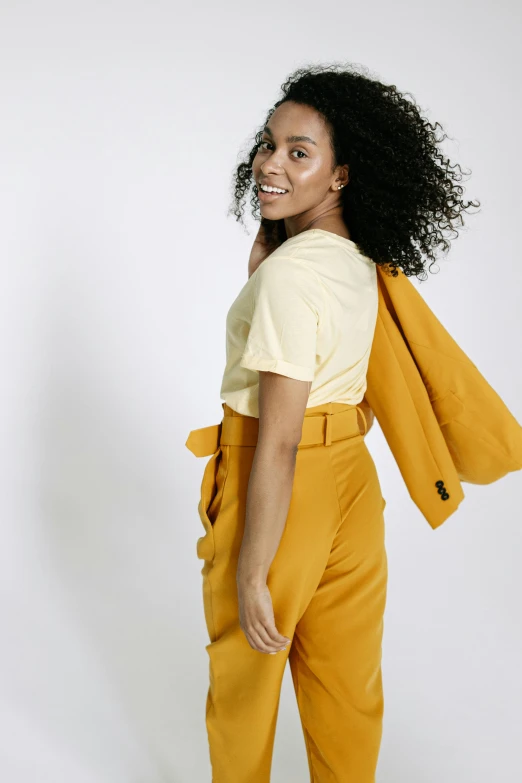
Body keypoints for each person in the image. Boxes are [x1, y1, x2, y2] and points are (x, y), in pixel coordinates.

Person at [185, 62, 479, 782]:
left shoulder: (291, 275)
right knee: (347, 691)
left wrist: (254, 570)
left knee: (244, 690)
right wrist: (261, 272)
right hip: (351, 481)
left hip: (281, 480)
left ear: (341, 175)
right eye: (269, 142)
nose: (269, 162)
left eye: (298, 152)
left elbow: (280, 436)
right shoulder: (357, 261)